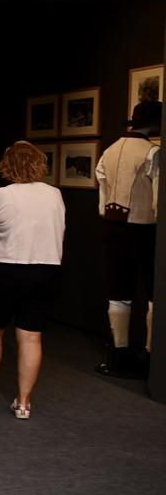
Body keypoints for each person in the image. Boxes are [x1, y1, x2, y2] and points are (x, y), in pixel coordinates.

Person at [0, 141, 64, 420]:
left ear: (7, 165)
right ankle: (23, 403)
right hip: (46, 270)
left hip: (6, 269)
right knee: (31, 337)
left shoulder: (1, 194)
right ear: (39, 163)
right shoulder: (54, 194)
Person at [94, 101, 160, 375]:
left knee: (118, 290)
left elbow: (102, 192)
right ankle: (150, 355)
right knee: (155, 293)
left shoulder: (109, 150)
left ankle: (119, 353)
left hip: (111, 228)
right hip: (145, 228)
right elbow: (158, 197)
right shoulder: (153, 153)